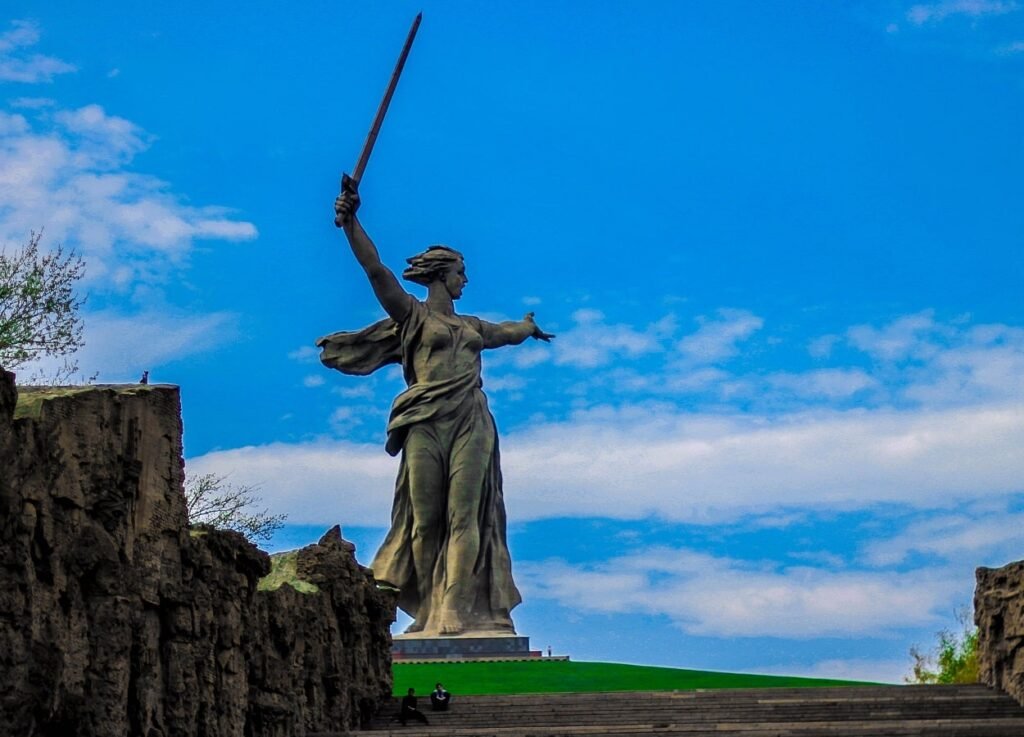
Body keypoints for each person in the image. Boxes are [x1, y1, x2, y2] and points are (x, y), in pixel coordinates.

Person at [320, 179, 553, 636]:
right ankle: (427, 608)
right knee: (425, 522)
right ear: (442, 274)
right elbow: (376, 271)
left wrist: (528, 326)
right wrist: (351, 223)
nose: (466, 279)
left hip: (470, 419)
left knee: (465, 516)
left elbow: (508, 331)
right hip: (425, 420)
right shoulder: (411, 315)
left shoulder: (472, 326)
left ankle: (454, 608)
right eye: (461, 271)